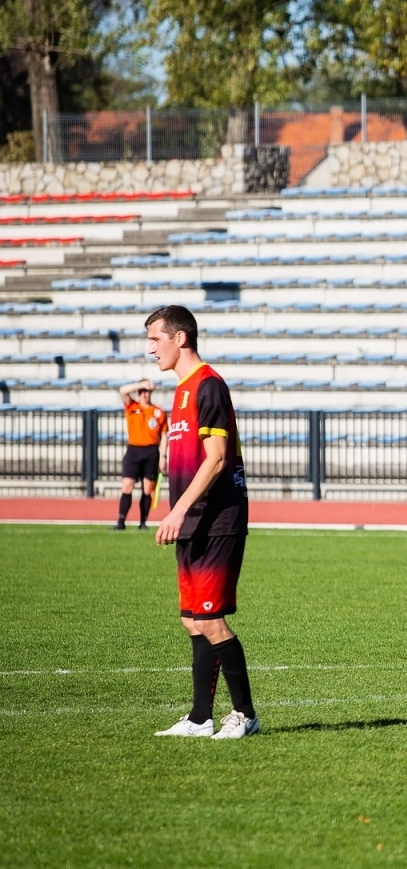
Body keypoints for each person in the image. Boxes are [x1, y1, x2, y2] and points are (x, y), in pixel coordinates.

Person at [146, 305, 257, 740]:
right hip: (191, 521)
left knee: (211, 620)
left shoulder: (208, 386)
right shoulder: (180, 392)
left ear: (180, 339)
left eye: (156, 339)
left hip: (217, 520)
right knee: (193, 620)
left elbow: (215, 461)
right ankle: (199, 718)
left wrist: (176, 510)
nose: (151, 349)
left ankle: (245, 715)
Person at [115, 378, 168, 531]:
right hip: (133, 450)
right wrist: (142, 384)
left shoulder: (158, 412)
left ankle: (143, 522)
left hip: (151, 452)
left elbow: (164, 435)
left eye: (147, 391)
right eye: (142, 392)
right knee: (126, 486)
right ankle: (121, 521)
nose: (144, 394)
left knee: (147, 489)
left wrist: (163, 457)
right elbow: (122, 390)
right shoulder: (132, 406)